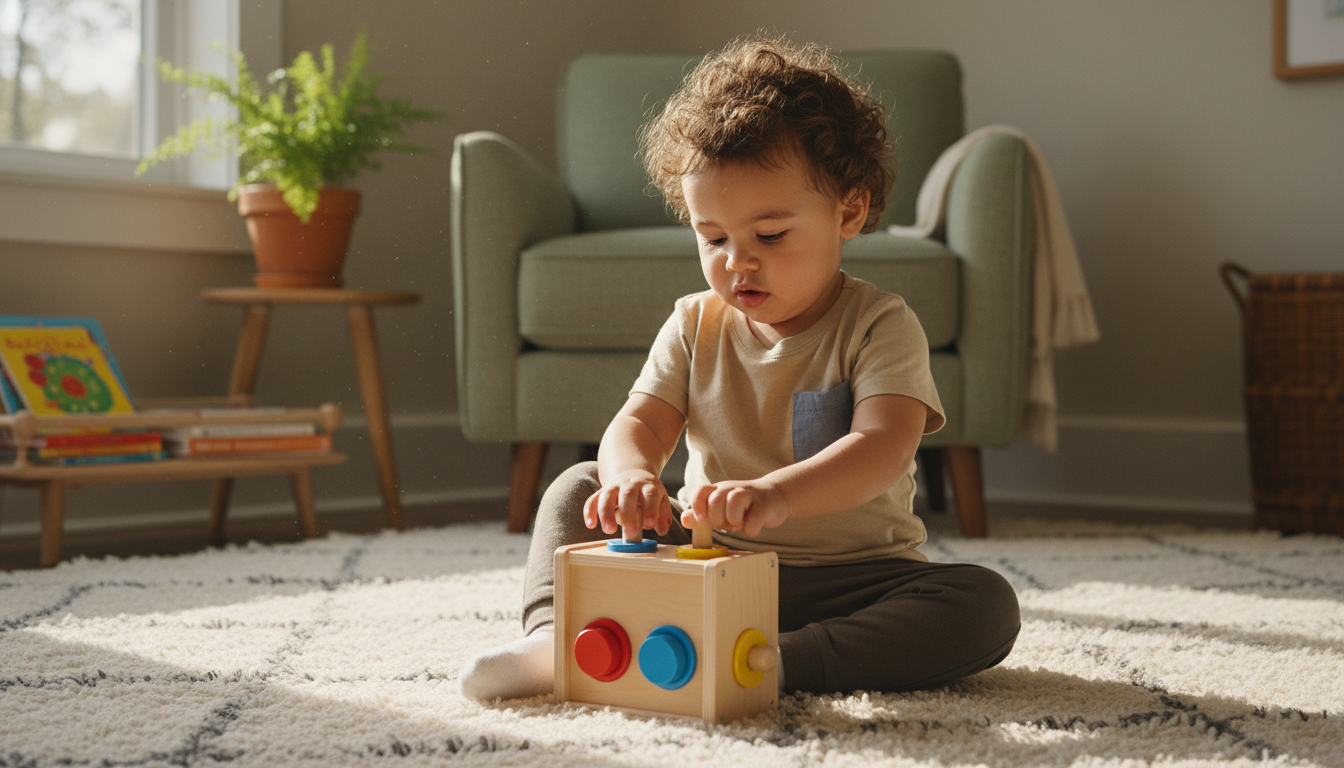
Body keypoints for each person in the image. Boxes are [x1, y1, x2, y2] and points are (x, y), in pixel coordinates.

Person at [458, 34, 1020, 702]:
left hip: (852, 579)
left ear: (849, 210)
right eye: (714, 238)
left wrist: (777, 495)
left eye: (770, 236)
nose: (737, 262)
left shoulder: (879, 323)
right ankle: (557, 641)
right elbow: (638, 421)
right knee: (579, 485)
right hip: (708, 559)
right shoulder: (696, 324)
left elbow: (884, 446)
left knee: (983, 602)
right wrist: (632, 478)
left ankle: (779, 663)